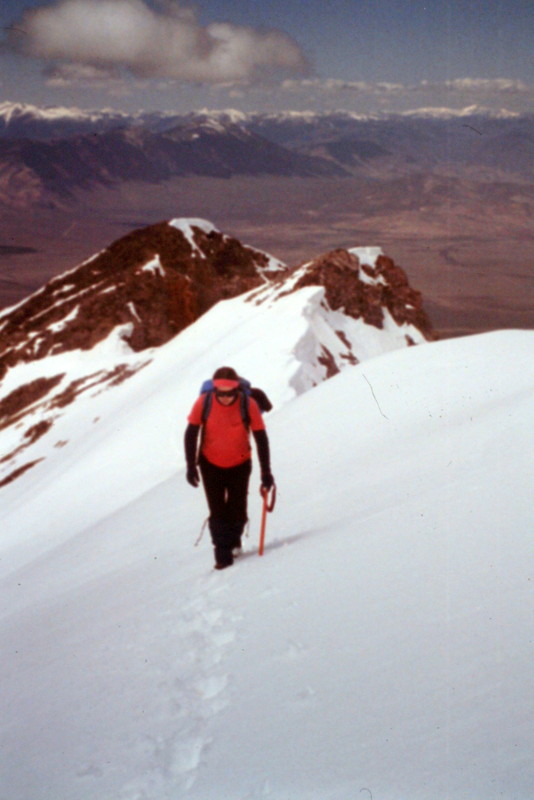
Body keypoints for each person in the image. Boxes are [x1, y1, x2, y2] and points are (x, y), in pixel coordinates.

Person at [184, 366, 274, 570]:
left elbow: (261, 438)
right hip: (210, 464)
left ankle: (234, 542)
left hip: (240, 464)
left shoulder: (248, 404)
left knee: (237, 510)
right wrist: (191, 466)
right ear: (214, 390)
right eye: (221, 393)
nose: (225, 398)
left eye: (230, 393)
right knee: (217, 511)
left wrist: (266, 472)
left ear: (237, 390)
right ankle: (222, 555)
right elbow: (191, 433)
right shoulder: (204, 402)